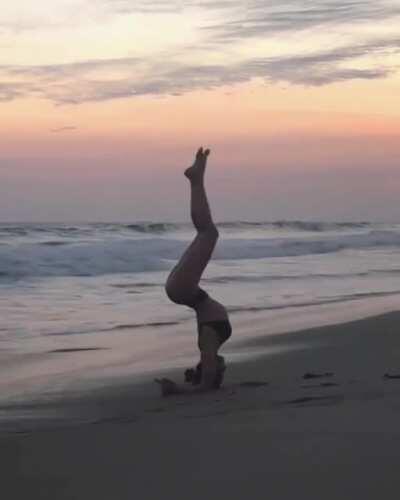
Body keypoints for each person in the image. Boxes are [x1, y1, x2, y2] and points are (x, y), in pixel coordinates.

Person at [155, 147, 232, 396]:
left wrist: (177, 389)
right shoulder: (213, 338)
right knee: (206, 233)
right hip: (186, 291)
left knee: (208, 233)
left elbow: (206, 384)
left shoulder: (209, 343)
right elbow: (207, 381)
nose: (220, 364)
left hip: (185, 291)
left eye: (215, 366)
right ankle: (197, 177)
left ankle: (197, 178)